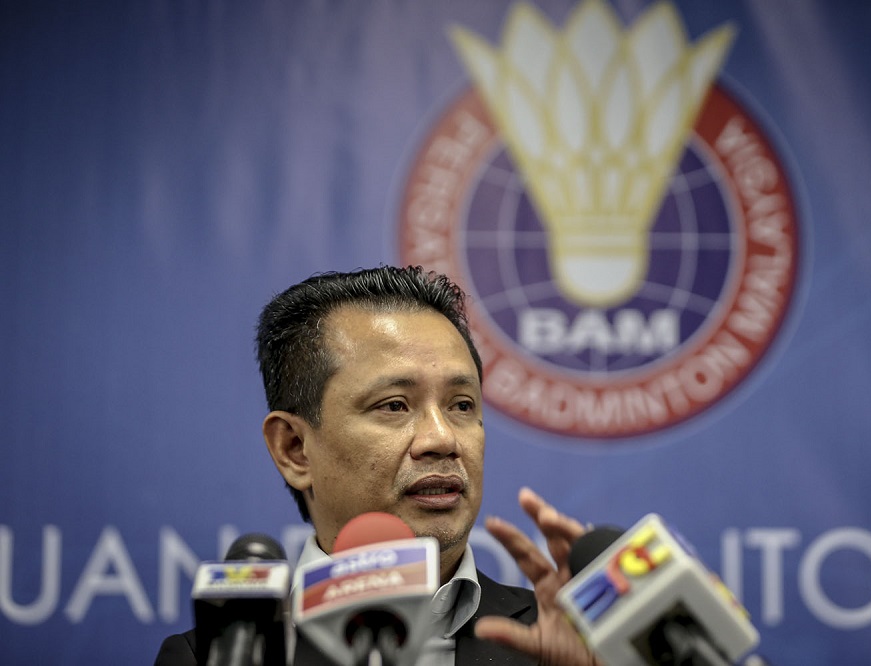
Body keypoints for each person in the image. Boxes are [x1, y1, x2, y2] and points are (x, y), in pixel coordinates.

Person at [155, 265, 599, 666]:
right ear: (294, 448)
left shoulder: (568, 640)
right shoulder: (223, 657)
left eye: (462, 405)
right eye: (394, 405)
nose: (442, 438)